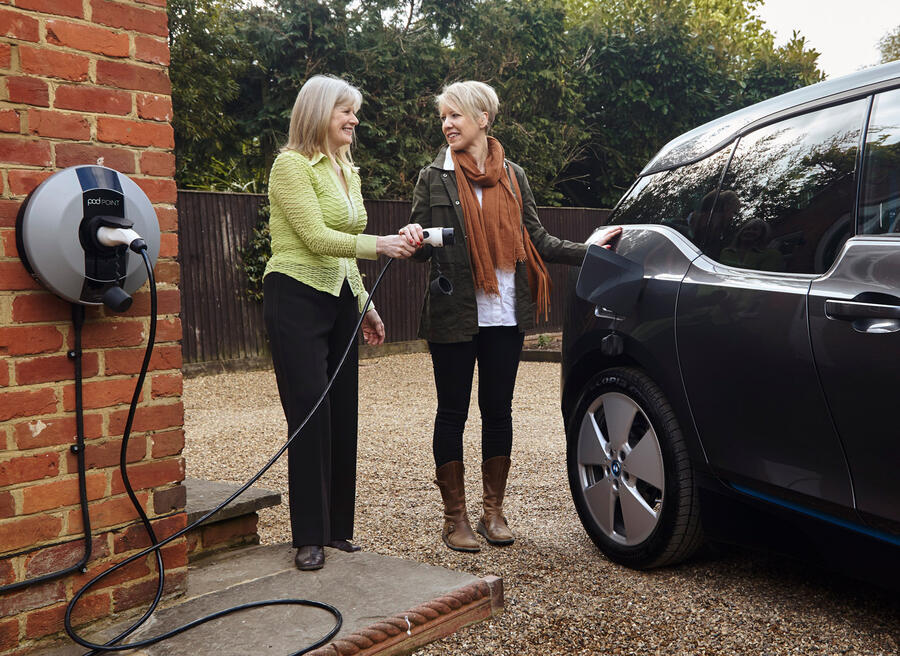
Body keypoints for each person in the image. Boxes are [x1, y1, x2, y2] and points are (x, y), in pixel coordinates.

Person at [398, 81, 621, 552]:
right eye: (444, 117)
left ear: (483, 119)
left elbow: (537, 239)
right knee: (452, 412)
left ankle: (493, 512)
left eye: (456, 115)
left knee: (498, 411)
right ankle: (454, 517)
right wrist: (414, 235)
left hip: (503, 311)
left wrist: (590, 250)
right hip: (454, 312)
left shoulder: (514, 176)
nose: (448, 124)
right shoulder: (433, 177)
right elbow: (420, 252)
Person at [263, 75, 417, 571]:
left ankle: (336, 531)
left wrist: (365, 302)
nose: (354, 120)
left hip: (339, 300)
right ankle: (308, 535)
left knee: (342, 412)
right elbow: (314, 236)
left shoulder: (346, 169)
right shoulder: (290, 166)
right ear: (317, 113)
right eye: (344, 111)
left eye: (355, 111)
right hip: (294, 296)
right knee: (309, 413)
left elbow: (343, 250)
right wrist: (381, 244)